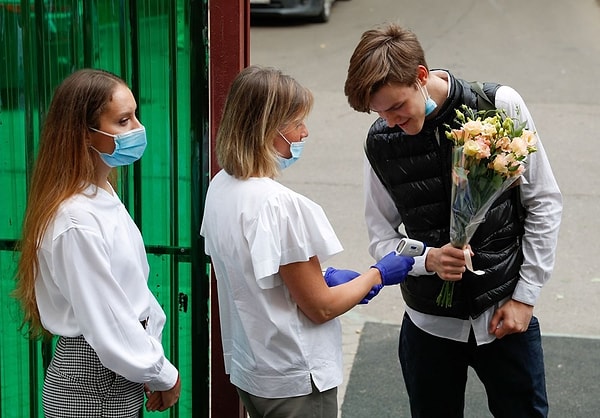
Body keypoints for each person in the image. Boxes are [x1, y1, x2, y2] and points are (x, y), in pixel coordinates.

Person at [344, 23, 562, 418]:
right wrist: (427, 260)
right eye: (379, 113)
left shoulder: (498, 104)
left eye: (396, 107)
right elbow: (380, 238)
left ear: (421, 77)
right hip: (429, 325)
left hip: (504, 313)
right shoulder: (379, 143)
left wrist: (525, 297)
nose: (390, 121)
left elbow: (544, 202)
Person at [200, 64, 415, 418]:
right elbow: (321, 308)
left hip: (253, 370)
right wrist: (377, 274)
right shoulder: (279, 205)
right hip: (296, 377)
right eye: (297, 122)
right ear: (268, 128)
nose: (304, 132)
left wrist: (326, 275)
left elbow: (260, 271)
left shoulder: (221, 185)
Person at [13, 68, 181, 417]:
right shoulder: (76, 220)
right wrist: (162, 373)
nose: (138, 128)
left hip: (117, 371)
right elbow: (107, 320)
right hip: (95, 383)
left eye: (135, 115)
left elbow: (130, 293)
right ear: (84, 134)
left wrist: (151, 360)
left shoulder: (99, 194)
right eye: (123, 120)